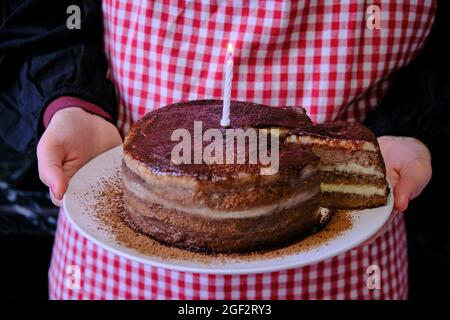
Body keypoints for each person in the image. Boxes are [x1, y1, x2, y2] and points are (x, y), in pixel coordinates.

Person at [0, 0, 435, 299]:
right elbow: (47, 13)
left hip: (348, 258)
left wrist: (414, 126)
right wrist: (67, 98)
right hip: (119, 258)